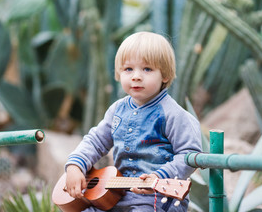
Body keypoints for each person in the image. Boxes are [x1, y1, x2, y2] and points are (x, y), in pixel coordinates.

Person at [64, 31, 202, 212]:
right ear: (119, 73)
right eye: (128, 69)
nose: (136, 76)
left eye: (147, 69)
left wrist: (159, 176)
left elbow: (189, 154)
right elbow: (95, 141)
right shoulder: (117, 110)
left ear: (165, 75)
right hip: (116, 194)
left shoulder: (173, 114)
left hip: (157, 198)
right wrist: (76, 164)